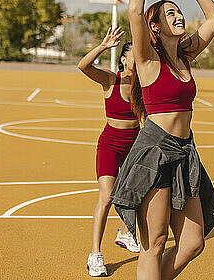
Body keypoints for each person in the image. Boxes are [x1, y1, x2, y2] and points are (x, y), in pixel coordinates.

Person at [112, 0, 214, 280]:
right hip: (154, 152)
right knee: (154, 244)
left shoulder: (185, 55)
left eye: (179, 11)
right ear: (155, 27)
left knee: (192, 242)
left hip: (185, 152)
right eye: (169, 13)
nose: (179, 16)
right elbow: (135, 14)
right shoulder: (148, 60)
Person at [77, 30, 141, 277]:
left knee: (136, 194)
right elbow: (83, 66)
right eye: (134, 52)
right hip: (110, 145)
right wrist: (103, 46)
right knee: (106, 197)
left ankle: (125, 233)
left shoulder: (144, 83)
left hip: (134, 145)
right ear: (124, 59)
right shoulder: (110, 80)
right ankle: (95, 254)